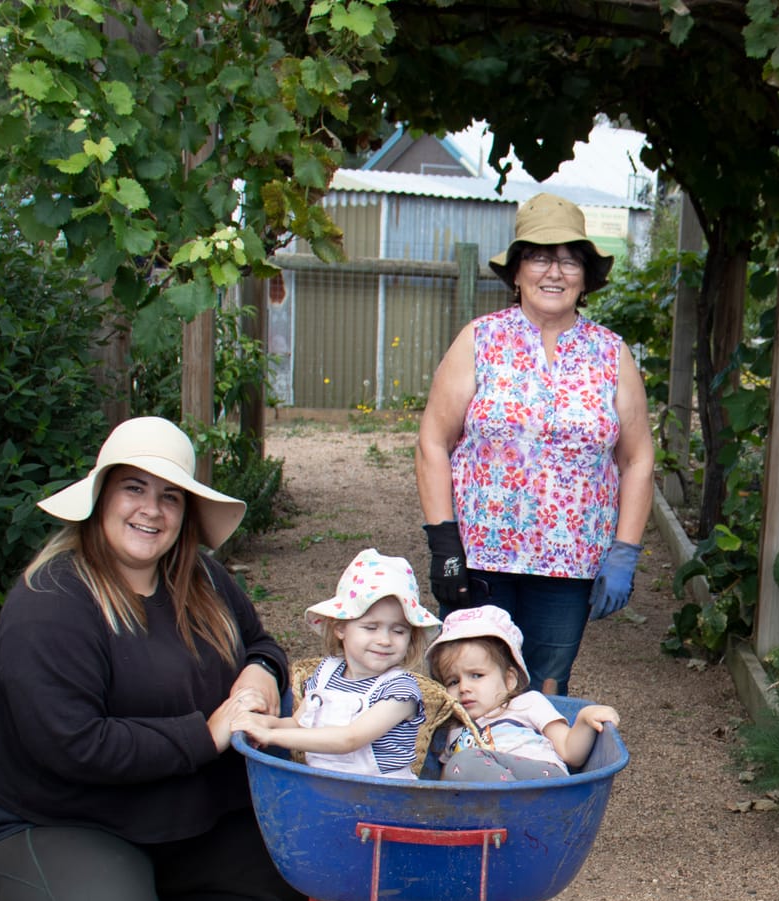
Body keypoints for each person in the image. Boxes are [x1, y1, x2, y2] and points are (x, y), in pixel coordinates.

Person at [0, 417, 307, 901]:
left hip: (164, 812)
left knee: (292, 875)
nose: (152, 509)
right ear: (101, 497)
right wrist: (206, 734)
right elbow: (73, 745)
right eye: (134, 488)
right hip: (53, 819)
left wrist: (260, 675)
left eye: (170, 496)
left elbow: (260, 643)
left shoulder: (200, 576)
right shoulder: (51, 602)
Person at [414, 191, 654, 696]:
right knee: (469, 689)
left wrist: (624, 552)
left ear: (584, 277)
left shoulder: (611, 354)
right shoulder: (480, 340)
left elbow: (636, 459)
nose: (555, 272)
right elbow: (433, 441)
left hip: (570, 563)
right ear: (517, 271)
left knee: (545, 693)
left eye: (570, 260)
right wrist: (444, 545)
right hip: (480, 556)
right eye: (540, 257)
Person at [235, 550, 439, 780]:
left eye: (399, 631)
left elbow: (350, 739)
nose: (384, 640)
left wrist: (271, 736)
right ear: (340, 628)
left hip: (381, 794)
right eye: (371, 627)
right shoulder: (326, 673)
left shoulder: (400, 690)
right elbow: (298, 724)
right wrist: (266, 723)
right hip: (325, 786)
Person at [426, 605, 619, 782]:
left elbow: (570, 752)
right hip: (486, 801)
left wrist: (584, 719)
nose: (463, 688)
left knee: (464, 761)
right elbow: (447, 782)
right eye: (453, 681)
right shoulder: (454, 730)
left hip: (543, 782)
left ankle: (516, 802)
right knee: (457, 766)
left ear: (509, 679)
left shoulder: (526, 703)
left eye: (477, 675)